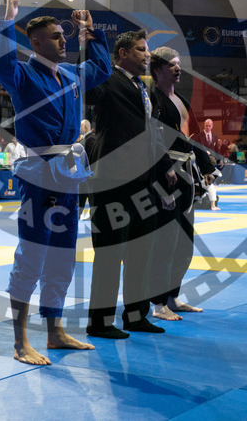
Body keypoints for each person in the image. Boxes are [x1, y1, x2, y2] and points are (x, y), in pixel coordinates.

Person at [0, 0, 110, 365]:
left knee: (62, 256)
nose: (63, 40)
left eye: (64, 35)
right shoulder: (23, 75)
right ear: (36, 42)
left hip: (69, 175)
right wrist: (6, 22)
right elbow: (1, 65)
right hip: (39, 174)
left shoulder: (71, 75)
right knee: (32, 256)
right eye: (55, 36)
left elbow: (101, 68)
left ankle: (55, 332)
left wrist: (91, 32)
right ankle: (20, 341)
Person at [84, 29, 177, 339]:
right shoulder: (106, 79)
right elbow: (89, 91)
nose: (147, 54)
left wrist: (165, 165)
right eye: (140, 49)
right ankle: (100, 322)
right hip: (112, 180)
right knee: (110, 253)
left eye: (147, 49)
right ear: (122, 53)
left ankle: (136, 316)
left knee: (141, 252)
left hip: (144, 180)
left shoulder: (144, 87)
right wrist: (92, 43)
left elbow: (152, 129)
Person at [147, 47, 215, 322]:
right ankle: (157, 303)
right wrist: (163, 170)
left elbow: (194, 137)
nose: (178, 68)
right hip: (164, 175)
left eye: (179, 64)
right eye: (172, 65)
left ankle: (172, 297)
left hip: (186, 175)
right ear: (158, 69)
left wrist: (207, 167)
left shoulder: (182, 100)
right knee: (165, 242)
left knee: (184, 244)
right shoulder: (151, 99)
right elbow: (150, 139)